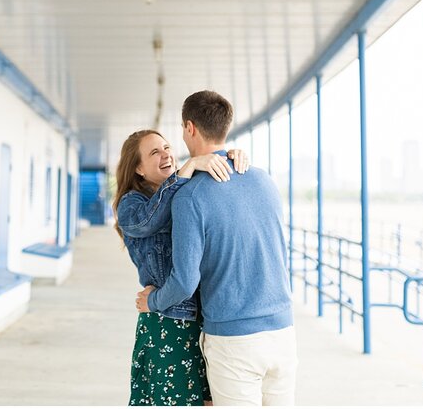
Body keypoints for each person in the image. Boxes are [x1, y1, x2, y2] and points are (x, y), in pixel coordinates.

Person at [136, 91, 296, 406]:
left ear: (189, 128)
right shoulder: (264, 180)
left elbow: (184, 282)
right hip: (283, 332)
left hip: (235, 339)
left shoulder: (190, 195)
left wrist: (152, 300)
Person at [114, 129, 249, 407]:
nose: (166, 154)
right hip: (168, 318)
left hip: (205, 317)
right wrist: (185, 169)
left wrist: (232, 158)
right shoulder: (131, 204)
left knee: (208, 400)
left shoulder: (184, 189)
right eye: (154, 152)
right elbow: (149, 221)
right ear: (138, 168)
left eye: (166, 147)